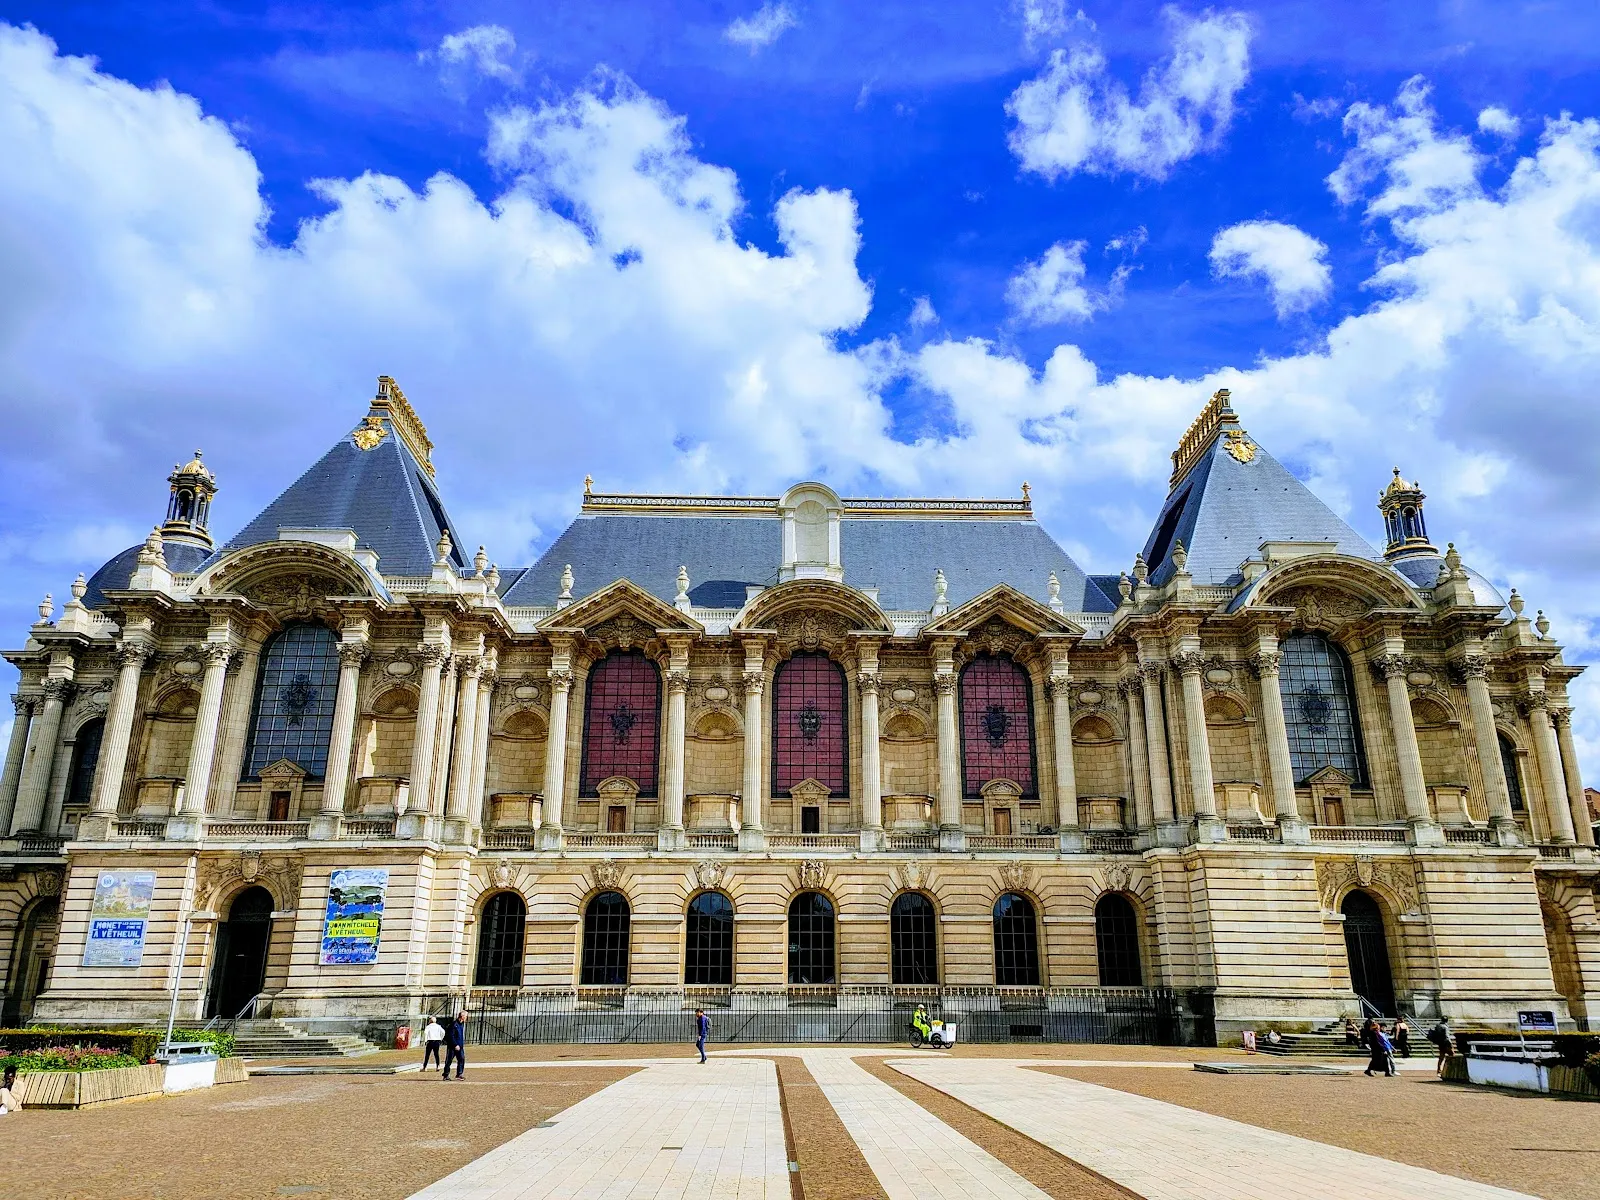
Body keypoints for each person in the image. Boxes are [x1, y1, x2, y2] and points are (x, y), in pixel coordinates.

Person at [441, 1010, 467, 1080]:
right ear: (462, 1017)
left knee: (461, 1059)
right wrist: (455, 1044)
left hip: (460, 1046)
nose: (466, 1018)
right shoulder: (454, 1024)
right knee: (449, 1060)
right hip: (453, 1046)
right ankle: (446, 1075)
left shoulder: (461, 1024)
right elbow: (450, 1036)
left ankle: (459, 1074)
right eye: (466, 1016)